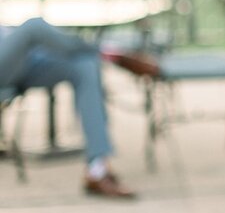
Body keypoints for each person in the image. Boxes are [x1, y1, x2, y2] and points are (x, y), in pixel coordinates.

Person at [0, 18, 145, 198]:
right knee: (33, 26)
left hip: (18, 56)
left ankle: (97, 170)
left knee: (84, 63)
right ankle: (110, 53)